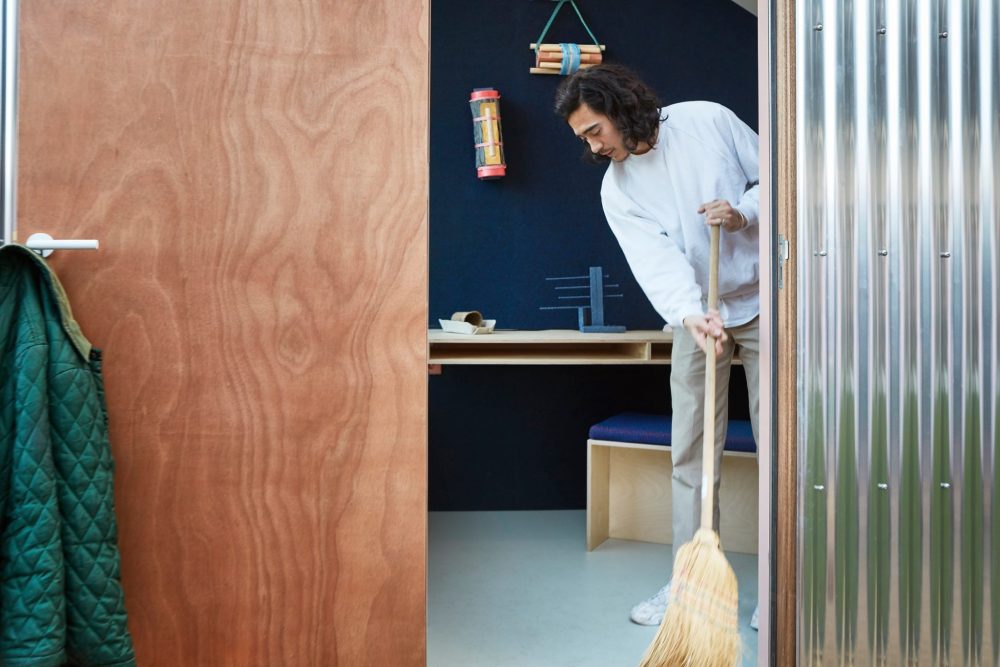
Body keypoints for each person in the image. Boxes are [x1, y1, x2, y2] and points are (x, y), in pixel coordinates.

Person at [554, 63, 761, 630]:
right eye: (583, 139)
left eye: (595, 131)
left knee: (779, 444)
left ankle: (783, 580)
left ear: (619, 108)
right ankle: (690, 581)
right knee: (690, 448)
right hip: (696, 311)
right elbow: (656, 262)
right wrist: (691, 314)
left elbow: (775, 177)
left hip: (765, 301)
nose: (593, 147)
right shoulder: (617, 189)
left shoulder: (706, 122)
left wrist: (743, 213)